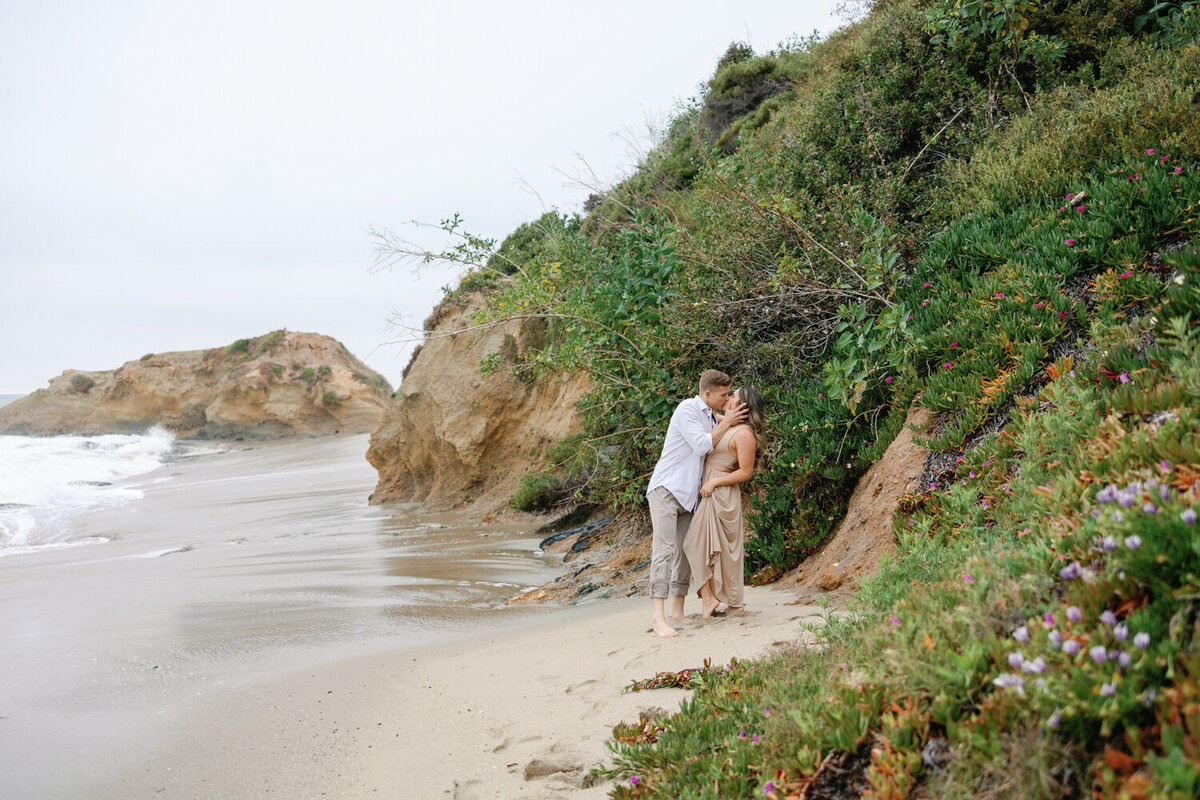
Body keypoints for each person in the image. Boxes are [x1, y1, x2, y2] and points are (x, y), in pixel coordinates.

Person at [646, 369, 747, 638]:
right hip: (666, 489)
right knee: (664, 551)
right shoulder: (687, 409)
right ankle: (659, 618)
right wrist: (725, 424)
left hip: (688, 497)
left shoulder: (713, 415)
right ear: (707, 394)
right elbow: (702, 445)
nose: (727, 399)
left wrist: (728, 422)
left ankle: (678, 611)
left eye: (729, 395)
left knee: (685, 553)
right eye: (724, 395)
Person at [683, 385, 765, 617]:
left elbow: (746, 472)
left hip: (721, 492)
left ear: (742, 406)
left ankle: (732, 603)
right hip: (710, 489)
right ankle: (711, 598)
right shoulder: (726, 424)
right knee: (702, 545)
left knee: (716, 549)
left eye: (734, 396)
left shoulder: (745, 435)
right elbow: (706, 413)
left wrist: (714, 483)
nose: (728, 398)